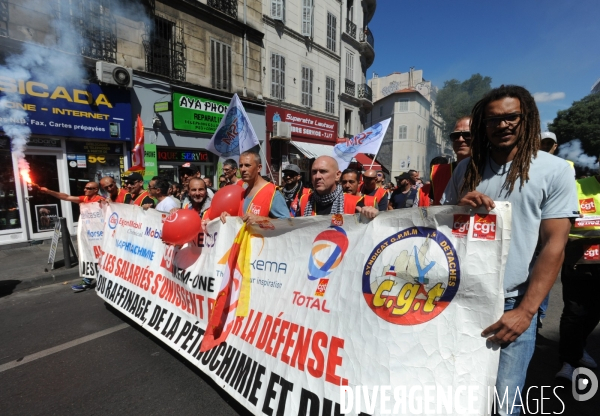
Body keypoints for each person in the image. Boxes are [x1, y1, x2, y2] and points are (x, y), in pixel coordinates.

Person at [441, 85, 579, 416]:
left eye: (511, 117)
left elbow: (554, 244)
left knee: (504, 404)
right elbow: (440, 229)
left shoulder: (554, 170)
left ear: (526, 118)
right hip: (461, 300)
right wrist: (457, 207)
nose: (502, 125)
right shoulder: (465, 170)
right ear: (482, 125)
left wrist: (526, 312)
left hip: (513, 305)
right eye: (493, 119)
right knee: (454, 391)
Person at [555, 170, 600, 380]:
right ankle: (568, 360)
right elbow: (563, 223)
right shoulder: (577, 187)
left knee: (595, 310)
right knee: (574, 311)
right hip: (579, 259)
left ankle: (578, 348)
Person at [218, 151, 290, 224]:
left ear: (259, 168)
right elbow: (244, 219)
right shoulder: (244, 192)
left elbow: (287, 223)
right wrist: (231, 218)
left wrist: (262, 220)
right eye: (241, 166)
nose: (243, 169)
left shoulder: (273, 192)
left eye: (247, 165)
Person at [298, 156, 378, 219]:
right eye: (314, 172)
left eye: (323, 171)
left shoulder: (355, 203)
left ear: (337, 175)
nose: (317, 176)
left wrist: (372, 214)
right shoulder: (304, 200)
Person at [430, 116, 473, 205]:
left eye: (467, 134)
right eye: (456, 136)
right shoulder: (438, 172)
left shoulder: (490, 170)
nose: (460, 139)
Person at [38, 182, 104, 204]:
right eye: (85, 188)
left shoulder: (100, 199)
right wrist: (48, 191)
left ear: (95, 190)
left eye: (88, 188)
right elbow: (66, 197)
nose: (85, 190)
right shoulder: (84, 198)